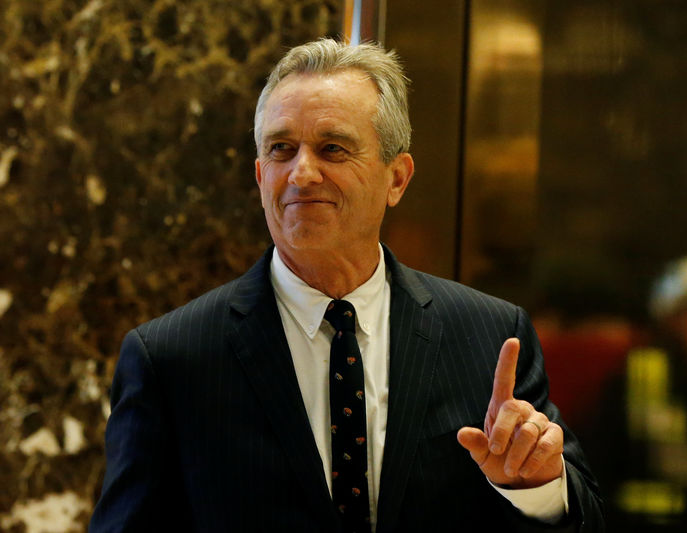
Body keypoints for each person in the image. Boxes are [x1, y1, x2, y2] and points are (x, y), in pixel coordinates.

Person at [89, 39, 603, 532]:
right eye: (281, 149)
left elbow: (581, 517)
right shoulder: (171, 358)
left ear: (396, 179)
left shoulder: (490, 335)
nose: (302, 173)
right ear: (259, 173)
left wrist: (534, 486)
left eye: (333, 148)